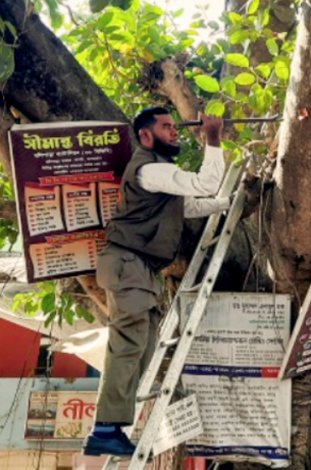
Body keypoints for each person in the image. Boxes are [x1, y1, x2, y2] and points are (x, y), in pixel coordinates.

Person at [84, 107, 230, 457]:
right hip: (129, 265)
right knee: (129, 344)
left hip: (140, 269)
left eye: (174, 126)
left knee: (144, 348)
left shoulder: (160, 176)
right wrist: (212, 137)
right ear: (146, 136)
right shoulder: (150, 168)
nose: (174, 132)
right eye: (166, 127)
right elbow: (204, 183)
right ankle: (104, 429)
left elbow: (189, 206)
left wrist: (229, 204)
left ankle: (114, 426)